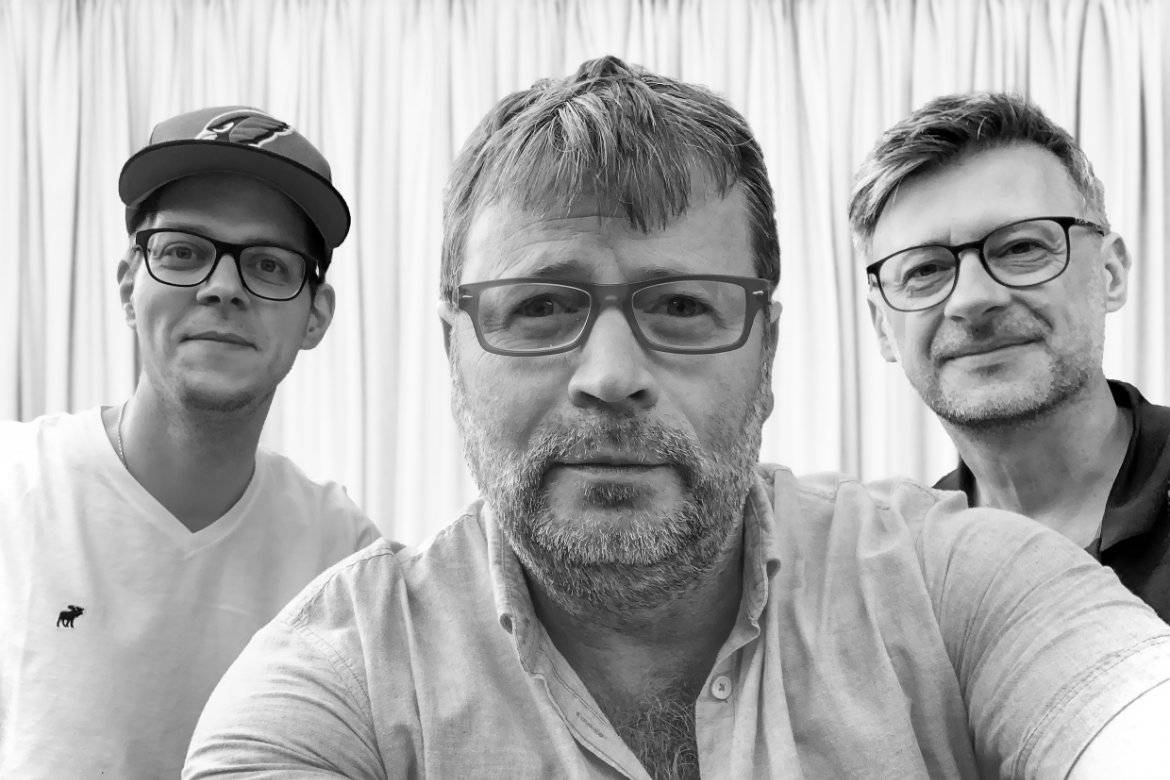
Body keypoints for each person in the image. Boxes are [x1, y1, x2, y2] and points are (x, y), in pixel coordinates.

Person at [185, 59, 1170, 780]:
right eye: (541, 308)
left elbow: (1122, 706)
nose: (612, 376)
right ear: (453, 356)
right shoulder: (343, 678)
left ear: (768, 354)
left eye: (684, 307)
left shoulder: (954, 585)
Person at [0, 106, 382, 779]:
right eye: (183, 252)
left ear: (316, 316)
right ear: (129, 287)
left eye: (268, 264)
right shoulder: (15, 486)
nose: (223, 288)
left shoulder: (342, 557)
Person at [849, 93, 1170, 622]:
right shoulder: (892, 581)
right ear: (884, 325)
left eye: (1021, 248)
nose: (972, 299)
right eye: (924, 270)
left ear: (1109, 273)